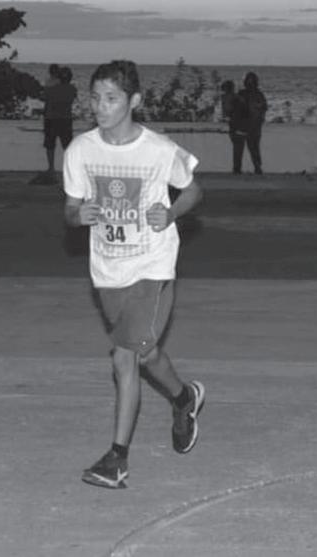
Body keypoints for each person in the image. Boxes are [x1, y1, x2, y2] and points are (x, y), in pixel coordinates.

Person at [63, 60, 205, 489]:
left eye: (111, 98)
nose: (100, 107)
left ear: (134, 101)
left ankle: (116, 459)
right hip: (108, 271)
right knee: (145, 354)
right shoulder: (80, 150)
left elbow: (194, 190)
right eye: (95, 98)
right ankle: (183, 397)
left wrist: (172, 212)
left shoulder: (158, 150)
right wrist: (78, 215)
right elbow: (70, 209)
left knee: (123, 356)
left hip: (152, 266)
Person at [42, 65, 77, 182]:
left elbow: (44, 97)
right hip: (66, 119)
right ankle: (70, 169)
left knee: (50, 145)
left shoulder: (51, 90)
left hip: (51, 119)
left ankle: (51, 168)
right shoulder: (72, 89)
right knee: (67, 146)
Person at [236, 72, 268, 175]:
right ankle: (256, 166)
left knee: (252, 146)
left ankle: (257, 166)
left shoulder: (253, 94)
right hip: (250, 124)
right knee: (251, 146)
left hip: (252, 124)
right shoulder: (255, 94)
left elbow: (263, 108)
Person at [220, 79, 250, 175]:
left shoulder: (226, 98)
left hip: (234, 124)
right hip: (240, 124)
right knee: (239, 147)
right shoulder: (237, 98)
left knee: (237, 147)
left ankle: (237, 168)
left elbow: (226, 112)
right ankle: (237, 168)